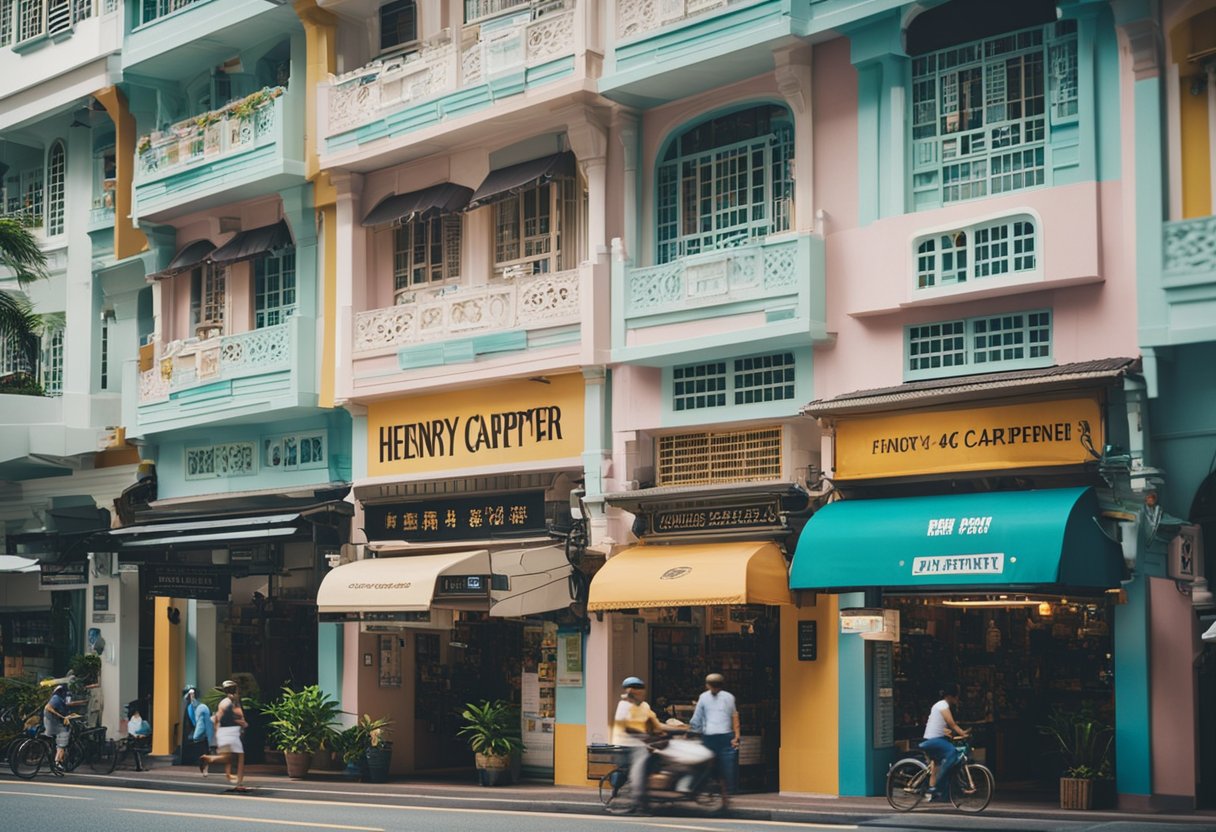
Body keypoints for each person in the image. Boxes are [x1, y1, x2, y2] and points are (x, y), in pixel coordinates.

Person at [612, 676, 666, 813]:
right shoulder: (624, 706)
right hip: (627, 744)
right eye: (633, 690)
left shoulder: (644, 706)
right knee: (639, 773)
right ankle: (639, 805)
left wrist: (664, 731)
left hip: (641, 743)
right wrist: (647, 737)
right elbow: (627, 728)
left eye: (639, 690)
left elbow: (653, 722)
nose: (636, 693)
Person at [689, 672, 740, 793]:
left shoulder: (703, 697)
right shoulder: (729, 697)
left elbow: (697, 718)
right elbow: (735, 717)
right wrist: (737, 736)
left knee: (705, 763)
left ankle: (704, 788)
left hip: (709, 736)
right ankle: (729, 790)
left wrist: (692, 731)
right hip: (726, 735)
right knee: (727, 763)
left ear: (707, 685)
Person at [919, 683, 970, 801]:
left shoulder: (941, 705)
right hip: (933, 740)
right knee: (952, 753)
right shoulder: (942, 705)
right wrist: (963, 733)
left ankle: (936, 794)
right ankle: (937, 787)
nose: (957, 699)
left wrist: (950, 733)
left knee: (936, 766)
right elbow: (951, 723)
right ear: (951, 696)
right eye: (956, 696)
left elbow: (942, 726)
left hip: (936, 739)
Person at [198, 680, 248, 789]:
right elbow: (237, 716)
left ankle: (209, 759)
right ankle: (239, 784)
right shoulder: (234, 701)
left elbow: (217, 719)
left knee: (227, 757)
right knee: (240, 757)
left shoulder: (222, 702)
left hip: (222, 732)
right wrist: (243, 723)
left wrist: (217, 733)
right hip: (232, 731)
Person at [43, 684, 72, 773]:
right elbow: (48, 708)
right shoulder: (56, 698)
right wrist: (60, 716)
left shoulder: (59, 699)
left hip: (53, 722)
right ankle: (57, 762)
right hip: (53, 723)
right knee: (62, 740)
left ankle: (57, 761)